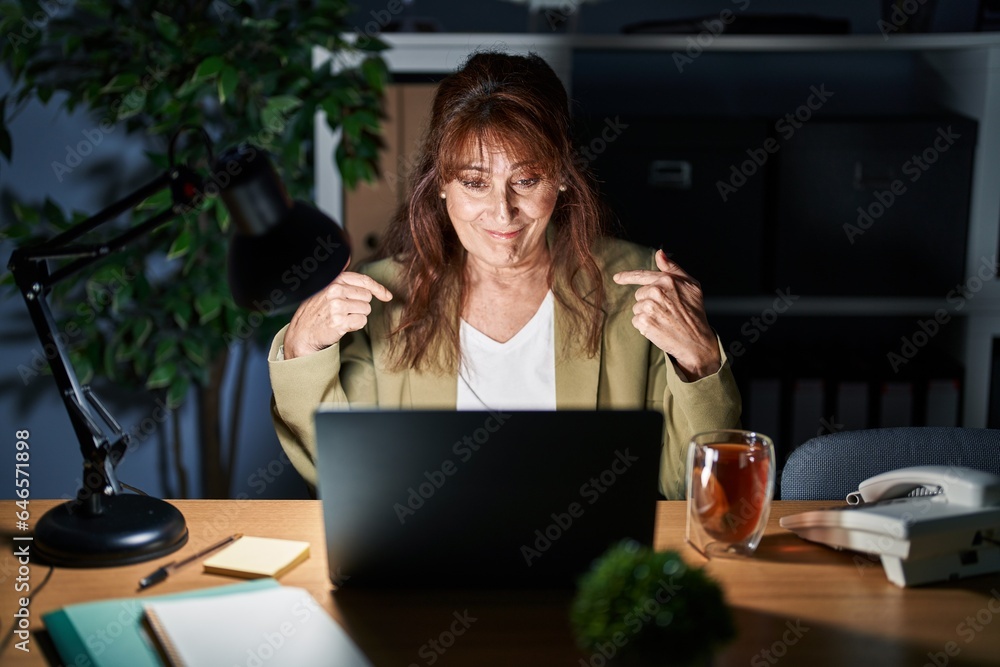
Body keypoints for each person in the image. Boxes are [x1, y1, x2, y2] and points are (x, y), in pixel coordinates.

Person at [267, 50, 741, 499]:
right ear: (441, 187)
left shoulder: (637, 293)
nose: (503, 211)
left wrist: (700, 362)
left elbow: (687, 487)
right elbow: (344, 481)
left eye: (526, 180)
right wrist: (301, 349)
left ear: (560, 176)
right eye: (475, 182)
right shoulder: (379, 299)